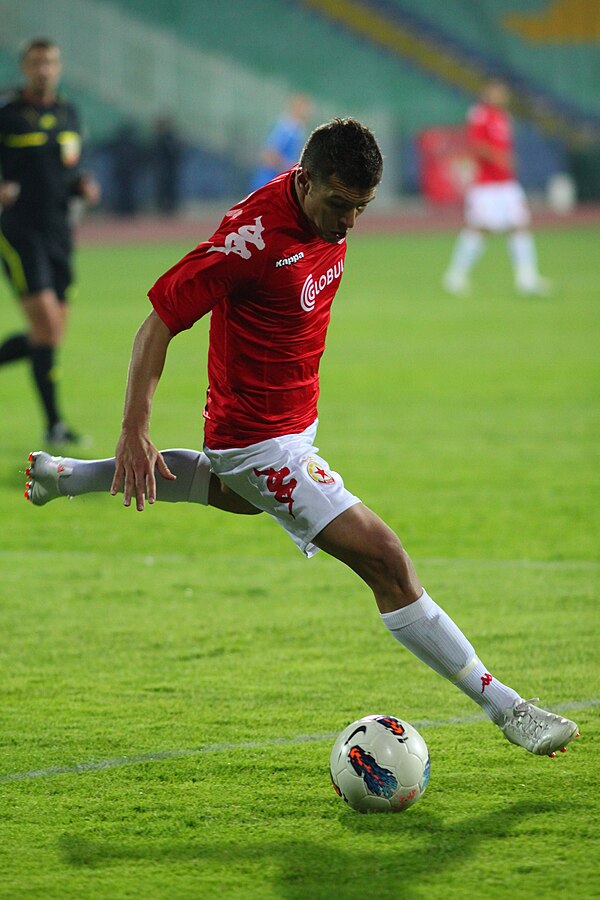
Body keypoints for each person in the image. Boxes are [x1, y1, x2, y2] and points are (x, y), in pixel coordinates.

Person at [25, 117, 578, 759]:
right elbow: (158, 321)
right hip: (260, 440)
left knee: (233, 495)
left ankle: (64, 476)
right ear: (304, 179)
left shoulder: (324, 207)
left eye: (361, 210)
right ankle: (511, 711)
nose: (347, 224)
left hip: (291, 422)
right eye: (339, 206)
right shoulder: (252, 238)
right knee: (387, 561)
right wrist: (133, 427)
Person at [0, 37, 101, 445]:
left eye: (50, 62)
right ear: (25, 66)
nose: (44, 69)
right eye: (36, 62)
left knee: (51, 334)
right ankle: (55, 425)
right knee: (44, 323)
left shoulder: (69, 113)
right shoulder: (7, 113)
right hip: (19, 231)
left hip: (60, 231)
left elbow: (73, 167)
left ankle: (54, 426)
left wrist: (84, 187)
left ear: (58, 68)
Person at [442, 78, 551, 297]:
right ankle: (455, 275)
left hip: (506, 184)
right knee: (481, 228)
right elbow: (476, 144)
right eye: (496, 91)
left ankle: (527, 279)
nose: (500, 95)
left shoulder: (503, 117)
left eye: (502, 91)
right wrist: (499, 157)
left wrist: (505, 161)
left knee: (520, 225)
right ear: (487, 92)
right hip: (486, 185)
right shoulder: (480, 113)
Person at [249, 93, 312, 192]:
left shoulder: (298, 129)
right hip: (268, 184)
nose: (307, 112)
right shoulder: (286, 128)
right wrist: (291, 170)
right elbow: (268, 154)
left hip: (278, 187)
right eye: (304, 108)